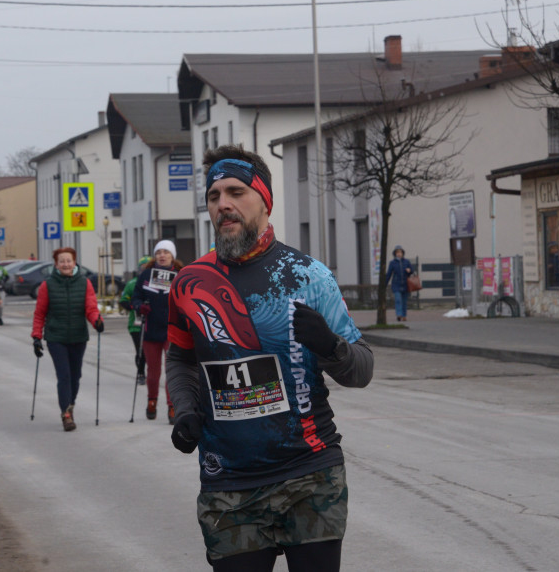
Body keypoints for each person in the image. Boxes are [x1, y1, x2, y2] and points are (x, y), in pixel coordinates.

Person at [166, 145, 374, 572]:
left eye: (236, 192)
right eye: (213, 195)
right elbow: (181, 360)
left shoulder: (309, 277)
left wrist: (330, 346)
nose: (223, 204)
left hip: (310, 473)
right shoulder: (189, 283)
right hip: (229, 481)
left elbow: (362, 370)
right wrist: (184, 409)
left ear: (264, 200)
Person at [30, 247, 104, 432]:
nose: (65, 264)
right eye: (61, 261)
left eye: (68, 261)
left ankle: (70, 405)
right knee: (64, 376)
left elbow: (91, 308)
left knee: (75, 376)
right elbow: (40, 313)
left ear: (74, 262)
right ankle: (66, 414)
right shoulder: (47, 285)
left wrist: (97, 321)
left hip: (78, 336)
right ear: (56, 264)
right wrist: (37, 336)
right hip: (56, 337)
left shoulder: (85, 283)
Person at [131, 241, 183, 423]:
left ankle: (172, 405)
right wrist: (140, 306)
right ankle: (152, 400)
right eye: (159, 252)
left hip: (172, 330)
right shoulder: (146, 275)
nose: (162, 255)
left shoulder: (180, 275)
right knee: (153, 371)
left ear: (172, 256)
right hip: (151, 329)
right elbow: (135, 297)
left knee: (172, 370)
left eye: (166, 252)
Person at [119, 256, 151, 386]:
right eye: (143, 268)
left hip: (152, 323)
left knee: (150, 352)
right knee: (140, 350)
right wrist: (135, 307)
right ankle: (141, 373)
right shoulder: (132, 283)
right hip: (136, 325)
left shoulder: (156, 282)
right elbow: (123, 301)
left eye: (148, 268)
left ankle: (152, 373)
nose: (145, 270)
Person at [384, 245, 414, 322]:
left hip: (405, 284)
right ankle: (399, 314)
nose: (399, 254)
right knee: (398, 300)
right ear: (395, 254)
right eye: (397, 252)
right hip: (396, 284)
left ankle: (404, 315)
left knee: (404, 301)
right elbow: (389, 274)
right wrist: (385, 284)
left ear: (402, 253)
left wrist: (409, 271)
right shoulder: (392, 263)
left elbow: (412, 271)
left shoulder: (406, 262)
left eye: (400, 252)